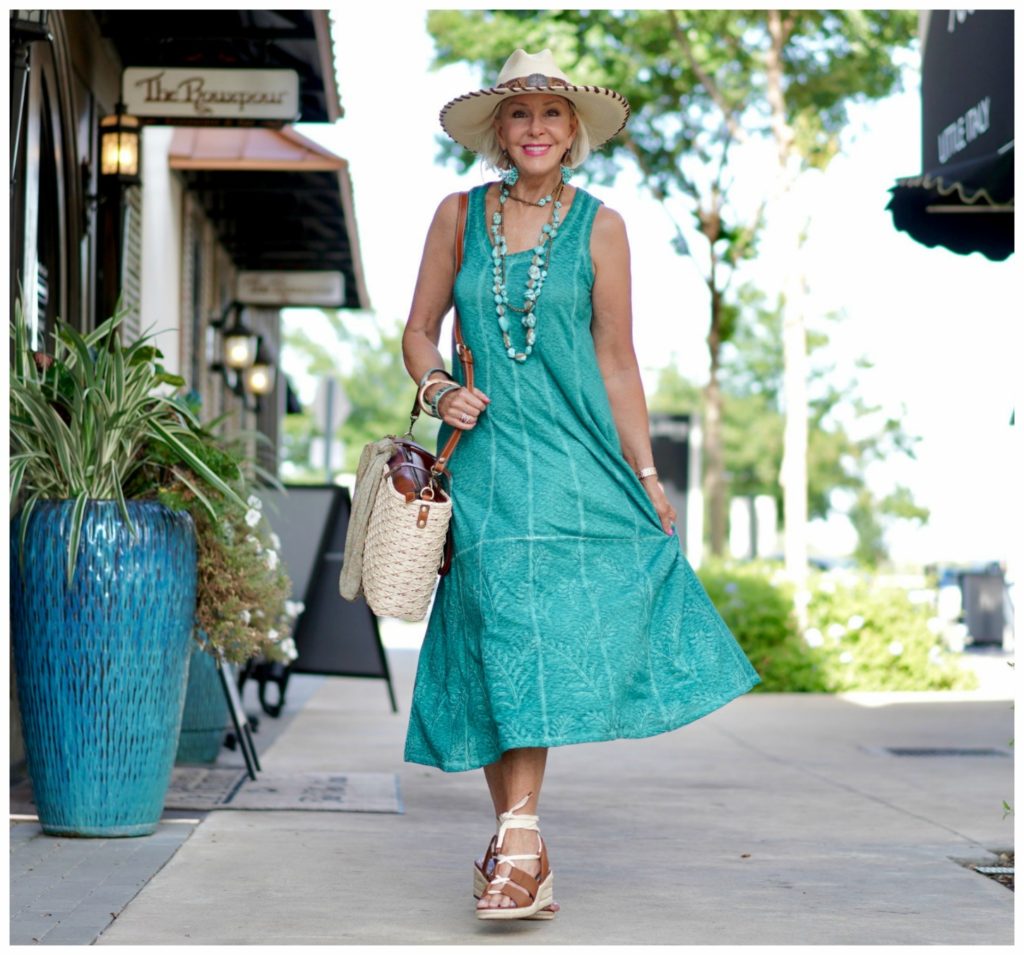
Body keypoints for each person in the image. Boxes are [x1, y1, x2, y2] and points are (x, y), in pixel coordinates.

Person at [401, 49, 761, 921]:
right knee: (503, 635)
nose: (535, 129)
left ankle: (517, 847)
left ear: (573, 133)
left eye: (551, 116)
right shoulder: (457, 214)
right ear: (499, 131)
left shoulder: (603, 226)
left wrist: (647, 473)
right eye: (520, 115)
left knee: (531, 634)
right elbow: (418, 331)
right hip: (481, 457)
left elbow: (616, 357)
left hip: (572, 461)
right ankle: (520, 842)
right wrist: (437, 385)